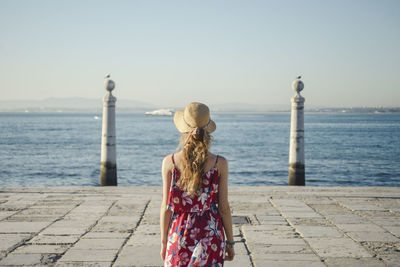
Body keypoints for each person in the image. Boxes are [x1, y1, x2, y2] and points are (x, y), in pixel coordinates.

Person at [160, 102, 235, 266]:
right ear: (208, 132)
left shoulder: (170, 162)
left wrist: (164, 241)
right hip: (211, 235)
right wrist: (230, 242)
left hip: (179, 235)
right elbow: (224, 208)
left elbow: (166, 207)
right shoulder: (219, 163)